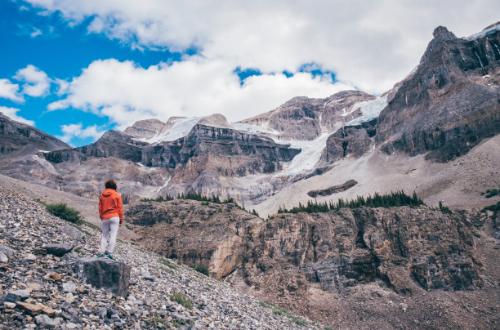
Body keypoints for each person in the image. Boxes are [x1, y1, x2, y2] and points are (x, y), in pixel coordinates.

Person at [98, 179, 124, 259]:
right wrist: (121, 219)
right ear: (114, 186)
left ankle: (101, 252)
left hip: (105, 217)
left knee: (104, 235)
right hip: (115, 217)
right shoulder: (117, 195)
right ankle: (109, 253)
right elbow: (120, 208)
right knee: (113, 235)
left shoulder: (102, 195)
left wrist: (102, 216)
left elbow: (100, 208)